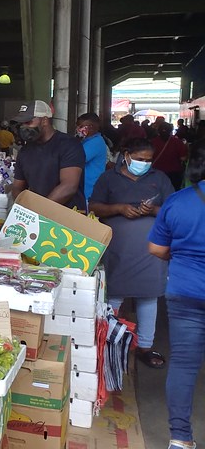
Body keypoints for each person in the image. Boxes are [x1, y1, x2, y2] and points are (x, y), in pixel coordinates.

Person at [89, 139, 173, 369]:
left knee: (148, 296)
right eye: (140, 159)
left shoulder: (159, 179)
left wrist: (154, 210)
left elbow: (173, 208)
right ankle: (110, 342)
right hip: (118, 247)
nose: (144, 164)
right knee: (114, 294)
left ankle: (145, 346)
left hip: (151, 250)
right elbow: (94, 206)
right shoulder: (109, 178)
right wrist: (118, 208)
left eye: (148, 160)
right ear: (126, 155)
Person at [147, 141, 205, 449]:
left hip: (185, 291)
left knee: (184, 364)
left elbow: (156, 247)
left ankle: (180, 439)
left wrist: (183, 256)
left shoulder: (180, 201)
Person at [11, 100, 87, 211]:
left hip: (68, 218)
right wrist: (24, 207)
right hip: (37, 216)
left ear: (44, 121)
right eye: (21, 124)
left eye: (28, 122)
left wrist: (40, 210)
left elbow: (69, 186)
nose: (23, 127)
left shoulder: (69, 145)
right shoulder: (25, 151)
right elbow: (17, 186)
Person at [77, 113, 109, 201]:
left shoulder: (95, 142)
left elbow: (77, 159)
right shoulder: (88, 141)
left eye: (81, 126)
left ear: (90, 127)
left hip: (89, 188)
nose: (78, 129)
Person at [152, 122, 189, 191]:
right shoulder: (177, 142)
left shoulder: (152, 142)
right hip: (174, 172)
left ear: (158, 131)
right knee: (174, 192)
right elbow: (183, 158)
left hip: (156, 171)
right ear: (171, 131)